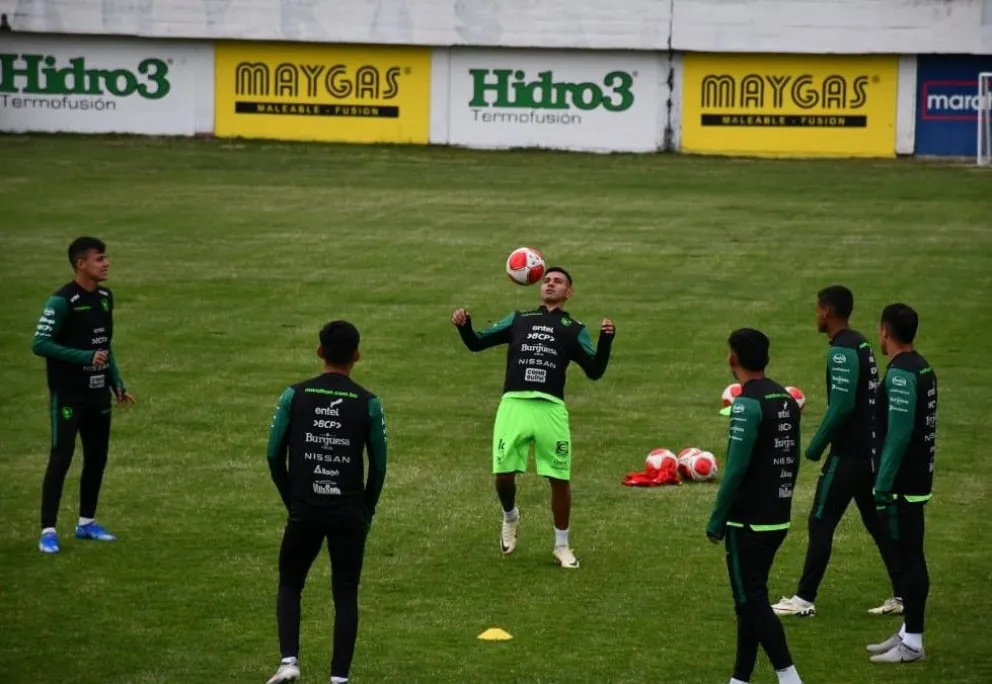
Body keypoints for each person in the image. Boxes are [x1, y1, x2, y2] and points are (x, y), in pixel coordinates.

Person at [451, 267, 614, 569]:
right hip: (514, 404)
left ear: (569, 292)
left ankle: (562, 545)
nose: (551, 284)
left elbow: (594, 371)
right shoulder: (518, 319)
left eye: (558, 282)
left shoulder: (573, 328)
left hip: (551, 408)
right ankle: (510, 515)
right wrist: (464, 325)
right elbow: (477, 342)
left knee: (559, 478)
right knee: (503, 475)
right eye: (546, 280)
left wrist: (606, 341)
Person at [264, 320, 387, 684]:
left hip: (305, 507)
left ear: (319, 352)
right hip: (349, 511)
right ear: (357, 356)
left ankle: (289, 661)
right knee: (345, 591)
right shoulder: (369, 402)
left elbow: (273, 454)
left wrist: (292, 498)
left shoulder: (294, 395)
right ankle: (339, 678)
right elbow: (379, 465)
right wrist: (368, 507)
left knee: (290, 582)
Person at [773, 286, 903, 618]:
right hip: (870, 450)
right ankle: (903, 595)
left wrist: (816, 446)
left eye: (818, 309)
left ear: (827, 311)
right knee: (876, 524)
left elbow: (843, 405)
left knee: (821, 521)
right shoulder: (861, 343)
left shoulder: (842, 351)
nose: (816, 315)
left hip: (848, 454)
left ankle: (804, 599)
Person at [707, 328, 804, 684]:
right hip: (777, 516)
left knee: (753, 603)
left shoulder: (746, 404)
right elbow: (792, 460)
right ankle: (739, 679)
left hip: (747, 522)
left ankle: (789, 677)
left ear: (733, 358)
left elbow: (735, 469)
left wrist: (717, 520)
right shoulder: (787, 398)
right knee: (748, 600)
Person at [31, 237, 136, 554]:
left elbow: (105, 346)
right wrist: (85, 357)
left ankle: (86, 523)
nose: (106, 264)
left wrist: (117, 383)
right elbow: (40, 344)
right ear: (81, 264)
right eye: (100, 259)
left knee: (97, 459)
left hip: (97, 395)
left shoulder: (105, 297)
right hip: (68, 395)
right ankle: (48, 530)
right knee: (61, 458)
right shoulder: (62, 301)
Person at [866, 304, 936, 664]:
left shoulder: (900, 375)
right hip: (916, 478)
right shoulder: (921, 366)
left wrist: (883, 483)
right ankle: (908, 632)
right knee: (910, 559)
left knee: (908, 562)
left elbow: (900, 431)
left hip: (901, 485)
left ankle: (913, 644)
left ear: (885, 332)